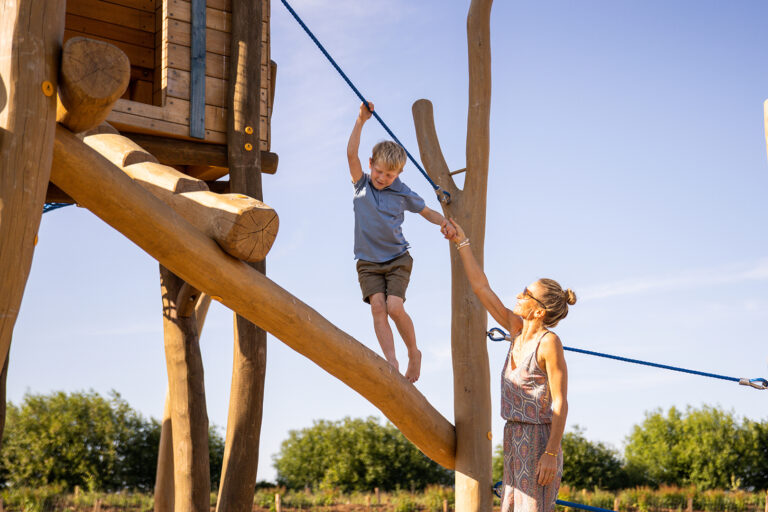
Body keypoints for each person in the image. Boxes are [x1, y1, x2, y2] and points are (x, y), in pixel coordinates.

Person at [443, 218, 574, 512]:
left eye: (526, 294)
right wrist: (462, 242)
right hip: (513, 438)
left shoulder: (549, 343)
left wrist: (551, 453)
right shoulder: (515, 329)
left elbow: (560, 403)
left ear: (539, 311)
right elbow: (481, 288)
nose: (518, 295)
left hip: (540, 441)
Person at [347, 101, 456, 383]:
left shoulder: (402, 192)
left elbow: (426, 211)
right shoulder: (361, 184)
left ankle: (413, 352)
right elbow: (351, 154)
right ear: (371, 165)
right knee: (377, 307)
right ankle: (391, 361)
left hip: (397, 259)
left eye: (390, 175)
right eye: (379, 171)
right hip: (368, 263)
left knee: (394, 307)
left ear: (398, 174)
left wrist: (444, 222)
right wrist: (360, 120)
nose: (382, 178)